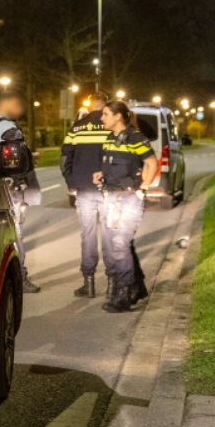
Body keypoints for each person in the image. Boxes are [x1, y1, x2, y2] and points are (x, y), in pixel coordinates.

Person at [95, 101, 158, 313]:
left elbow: (152, 163)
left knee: (120, 244)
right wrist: (102, 174)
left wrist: (144, 188)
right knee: (122, 245)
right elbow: (113, 166)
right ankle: (137, 288)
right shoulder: (109, 139)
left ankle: (124, 294)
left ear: (118, 117)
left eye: (105, 114)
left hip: (129, 199)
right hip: (111, 198)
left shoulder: (135, 138)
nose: (101, 118)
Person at [0, 92, 41, 294]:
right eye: (17, 104)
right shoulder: (7, 128)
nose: (21, 109)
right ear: (7, 104)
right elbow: (13, 159)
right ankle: (21, 277)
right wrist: (20, 182)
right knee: (15, 234)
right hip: (10, 189)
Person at [61, 95, 112, 299]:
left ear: (90, 106)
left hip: (84, 189)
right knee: (111, 235)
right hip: (109, 189)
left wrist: (72, 183)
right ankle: (112, 284)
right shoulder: (111, 124)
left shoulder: (78, 127)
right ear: (106, 105)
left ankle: (88, 283)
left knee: (88, 236)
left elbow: (66, 158)